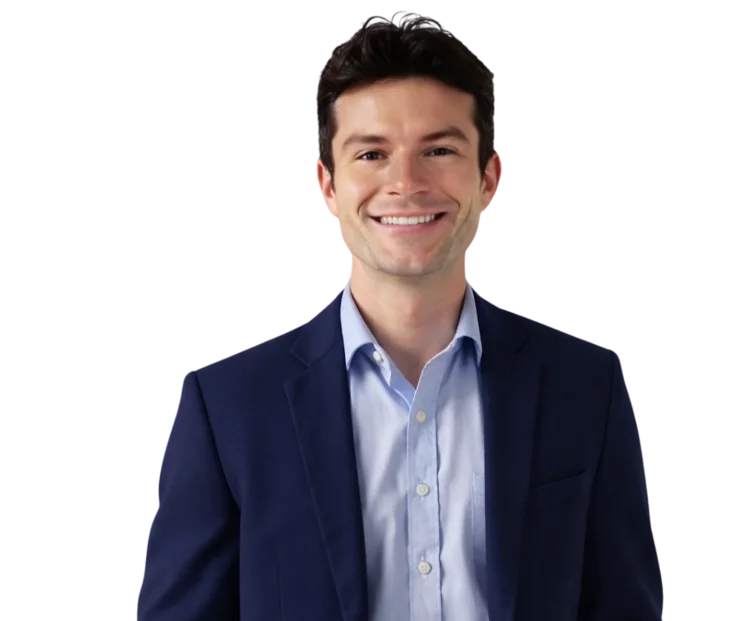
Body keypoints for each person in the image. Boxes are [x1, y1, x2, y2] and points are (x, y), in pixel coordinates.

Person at [136, 13, 663, 621]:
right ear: (326, 184)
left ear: (489, 176)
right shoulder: (227, 407)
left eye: (438, 150)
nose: (406, 184)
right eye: (371, 154)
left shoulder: (585, 387)